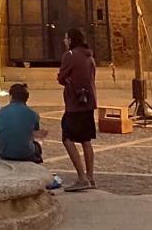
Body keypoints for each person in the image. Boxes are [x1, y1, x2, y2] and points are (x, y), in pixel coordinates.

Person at [58, 28, 98, 192]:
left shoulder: (70, 55)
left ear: (71, 39)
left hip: (75, 103)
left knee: (67, 137)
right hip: (88, 101)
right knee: (85, 139)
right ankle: (90, 176)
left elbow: (61, 77)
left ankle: (81, 177)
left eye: (66, 38)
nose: (64, 41)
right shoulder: (89, 55)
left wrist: (65, 78)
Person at [0, 83, 47, 164]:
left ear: (11, 96)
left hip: (4, 152)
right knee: (37, 146)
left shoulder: (1, 112)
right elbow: (34, 134)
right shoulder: (33, 114)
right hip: (25, 153)